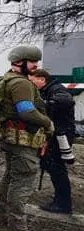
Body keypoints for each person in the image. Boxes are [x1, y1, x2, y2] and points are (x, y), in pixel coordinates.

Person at [0, 46, 54, 231]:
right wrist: (47, 123)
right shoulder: (21, 84)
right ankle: (18, 228)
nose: (36, 65)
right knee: (23, 181)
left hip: (11, 138)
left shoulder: (7, 79)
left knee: (10, 176)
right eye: (33, 61)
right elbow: (26, 111)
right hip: (22, 141)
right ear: (21, 62)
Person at [29, 69, 75, 214]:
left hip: (60, 135)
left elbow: (67, 100)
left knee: (57, 168)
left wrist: (45, 104)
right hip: (54, 134)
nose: (31, 83)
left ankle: (63, 204)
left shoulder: (56, 89)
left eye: (33, 80)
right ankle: (61, 199)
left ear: (42, 79)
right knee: (50, 164)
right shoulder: (46, 90)